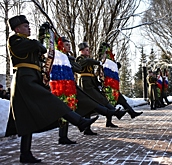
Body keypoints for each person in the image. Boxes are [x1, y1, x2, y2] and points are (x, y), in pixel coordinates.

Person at [7, 15, 98, 163]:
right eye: (25, 26)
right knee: (52, 102)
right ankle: (79, 121)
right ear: (17, 29)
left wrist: (44, 35)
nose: (29, 28)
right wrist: (39, 40)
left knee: (27, 118)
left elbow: (42, 49)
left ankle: (25, 154)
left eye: (29, 25)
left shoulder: (27, 42)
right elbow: (34, 46)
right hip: (24, 79)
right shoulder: (14, 40)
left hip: (32, 78)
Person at [53, 37, 126, 140]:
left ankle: (83, 128)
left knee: (85, 105)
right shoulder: (76, 58)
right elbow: (81, 66)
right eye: (66, 45)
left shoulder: (68, 57)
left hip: (74, 83)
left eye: (69, 44)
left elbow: (78, 68)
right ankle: (110, 112)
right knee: (81, 103)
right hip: (67, 85)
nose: (68, 46)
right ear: (81, 51)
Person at [76, 42, 127, 133]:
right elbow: (86, 63)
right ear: (81, 51)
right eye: (87, 50)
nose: (88, 51)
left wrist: (98, 83)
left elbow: (92, 75)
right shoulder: (80, 59)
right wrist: (98, 62)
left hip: (90, 83)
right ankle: (114, 112)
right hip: (85, 84)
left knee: (89, 106)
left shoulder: (88, 60)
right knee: (100, 99)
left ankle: (87, 129)